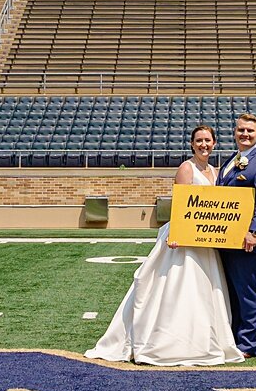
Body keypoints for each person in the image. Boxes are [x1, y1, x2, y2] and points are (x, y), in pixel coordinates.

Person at [85, 125, 244, 366]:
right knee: (179, 285)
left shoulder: (216, 171)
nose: (203, 145)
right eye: (199, 140)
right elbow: (181, 204)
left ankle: (202, 339)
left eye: (208, 140)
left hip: (206, 240)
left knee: (204, 287)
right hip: (185, 237)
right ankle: (169, 340)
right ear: (192, 144)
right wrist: (179, 233)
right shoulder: (186, 168)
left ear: (214, 143)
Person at [217, 111, 256, 359]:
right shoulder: (232, 160)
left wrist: (254, 231)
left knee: (250, 293)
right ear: (235, 132)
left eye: (249, 131)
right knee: (232, 291)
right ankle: (234, 338)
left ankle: (248, 345)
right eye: (240, 130)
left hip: (251, 241)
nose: (244, 134)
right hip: (229, 239)